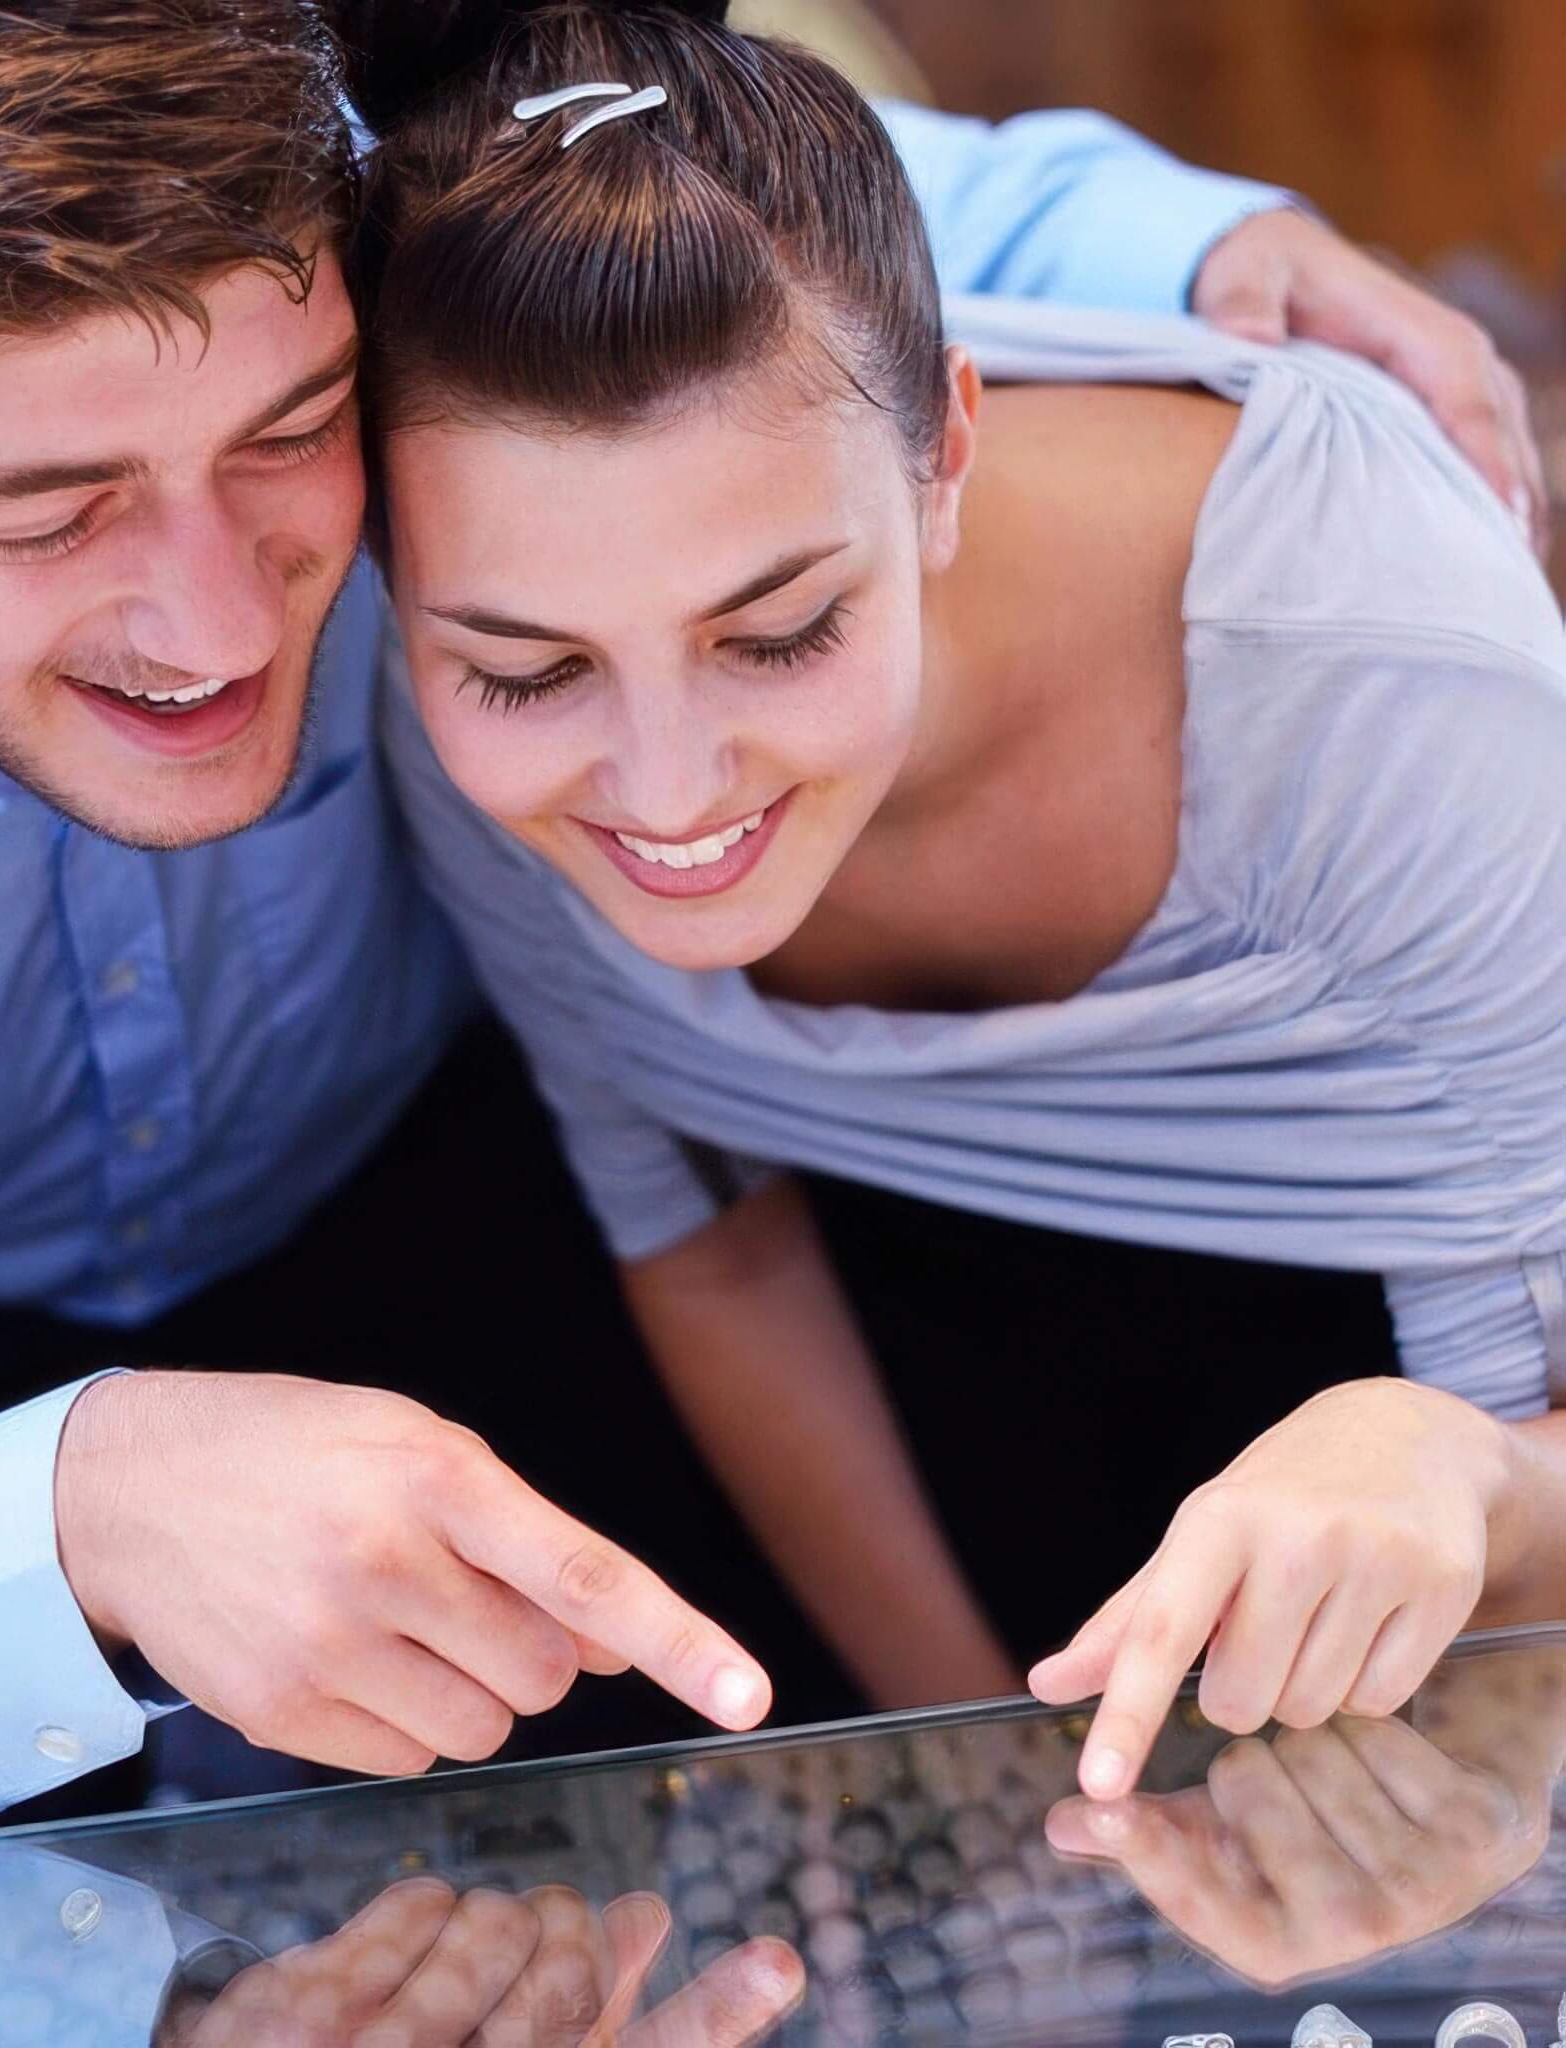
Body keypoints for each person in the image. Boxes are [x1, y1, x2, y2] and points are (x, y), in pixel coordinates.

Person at [0, 0, 1544, 1883]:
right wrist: (62, 1521)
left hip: (458, 1172)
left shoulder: (339, 175)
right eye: (50, 514)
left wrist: (1199, 243)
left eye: (295, 428)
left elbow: (673, 197)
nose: (224, 629)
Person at [358, 0, 1566, 1806]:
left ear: (944, 456)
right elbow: (706, 1230)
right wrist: (991, 1787)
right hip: (936, 1474)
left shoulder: (1386, 686)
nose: (667, 792)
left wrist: (1471, 1490)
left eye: (780, 632)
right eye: (528, 672)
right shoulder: (442, 725)